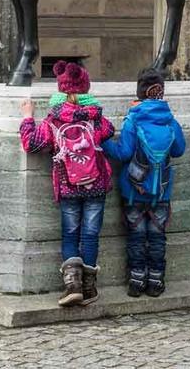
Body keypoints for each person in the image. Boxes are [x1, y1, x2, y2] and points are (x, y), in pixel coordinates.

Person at [20, 61, 115, 306]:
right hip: (95, 185)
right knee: (91, 235)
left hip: (68, 186)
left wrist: (27, 118)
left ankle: (72, 285)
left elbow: (32, 144)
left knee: (70, 234)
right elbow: (110, 130)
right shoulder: (95, 117)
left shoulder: (53, 119)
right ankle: (90, 288)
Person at [103, 67, 185, 297]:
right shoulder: (170, 120)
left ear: (139, 93)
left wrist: (105, 141)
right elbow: (179, 150)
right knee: (157, 236)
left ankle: (137, 280)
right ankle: (156, 280)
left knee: (137, 237)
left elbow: (122, 153)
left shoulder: (133, 120)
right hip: (161, 191)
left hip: (134, 191)